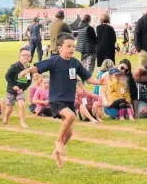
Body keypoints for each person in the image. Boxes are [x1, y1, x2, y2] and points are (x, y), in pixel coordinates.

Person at [18, 32, 103, 168]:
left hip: (69, 100)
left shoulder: (75, 63)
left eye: (73, 46)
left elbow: (88, 78)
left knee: (69, 132)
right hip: (56, 99)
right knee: (71, 116)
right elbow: (38, 67)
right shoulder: (55, 61)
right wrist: (27, 71)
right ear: (60, 49)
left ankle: (56, 152)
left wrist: (99, 81)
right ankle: (58, 142)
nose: (71, 49)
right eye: (68, 46)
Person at [3, 47, 33, 127]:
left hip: (20, 90)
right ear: (19, 56)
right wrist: (13, 86)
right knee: (10, 108)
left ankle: (22, 121)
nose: (26, 57)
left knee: (21, 104)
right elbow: (7, 76)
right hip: (11, 90)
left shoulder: (28, 69)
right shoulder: (14, 66)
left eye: (28, 56)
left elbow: (29, 81)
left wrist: (22, 89)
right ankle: (6, 117)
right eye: (24, 55)